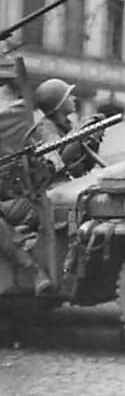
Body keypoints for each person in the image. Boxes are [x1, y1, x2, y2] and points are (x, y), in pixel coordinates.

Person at [0, 59, 51, 294]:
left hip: (20, 197)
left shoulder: (15, 111)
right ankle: (31, 269)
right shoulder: (23, 111)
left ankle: (33, 268)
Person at [25, 78, 102, 181]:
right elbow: (56, 164)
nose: (74, 98)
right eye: (68, 96)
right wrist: (79, 136)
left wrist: (93, 140)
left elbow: (84, 166)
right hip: (55, 187)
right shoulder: (45, 129)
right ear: (58, 104)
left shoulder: (67, 125)